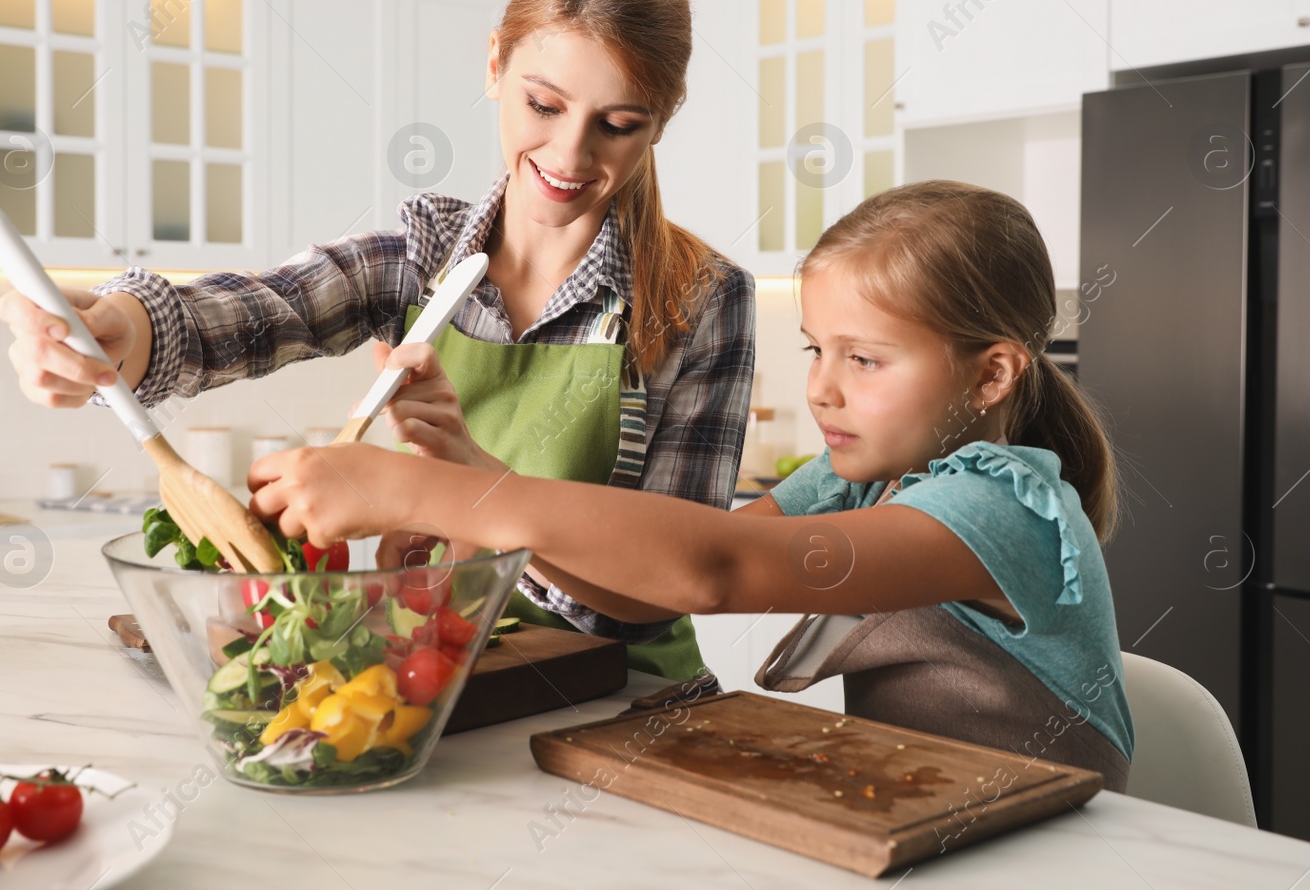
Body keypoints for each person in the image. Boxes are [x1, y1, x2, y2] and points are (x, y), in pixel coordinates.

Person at [0, 0, 755, 683]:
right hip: (438, 689)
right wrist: (117, 329)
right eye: (544, 105)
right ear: (495, 64)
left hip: (629, 708)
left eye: (618, 125)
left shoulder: (702, 300)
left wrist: (467, 491)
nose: (569, 155)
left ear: (663, 116)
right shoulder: (421, 258)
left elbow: (665, 586)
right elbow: (253, 314)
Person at [248, 180, 1137, 789]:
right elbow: (652, 584)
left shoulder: (995, 506)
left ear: (992, 376)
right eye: (816, 351)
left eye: (864, 359)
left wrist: (421, 496)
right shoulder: (856, 477)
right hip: (929, 816)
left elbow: (719, 567)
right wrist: (474, 472)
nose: (823, 387)